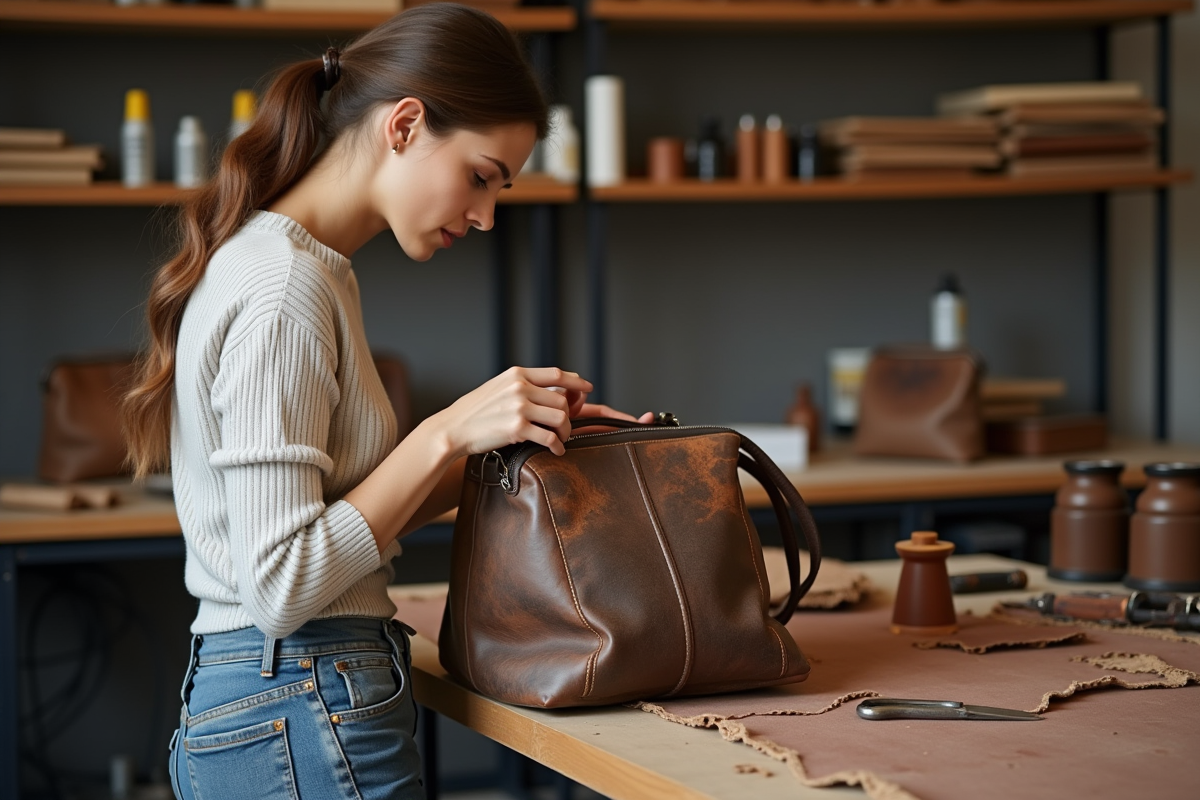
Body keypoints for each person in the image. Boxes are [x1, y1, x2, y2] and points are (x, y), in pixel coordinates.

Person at [122, 6, 648, 798]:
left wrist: (504, 450)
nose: (486, 216)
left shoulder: (309, 270)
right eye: (480, 176)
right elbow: (282, 586)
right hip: (301, 700)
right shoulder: (285, 288)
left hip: (286, 704)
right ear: (404, 125)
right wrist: (444, 433)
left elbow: (343, 522)